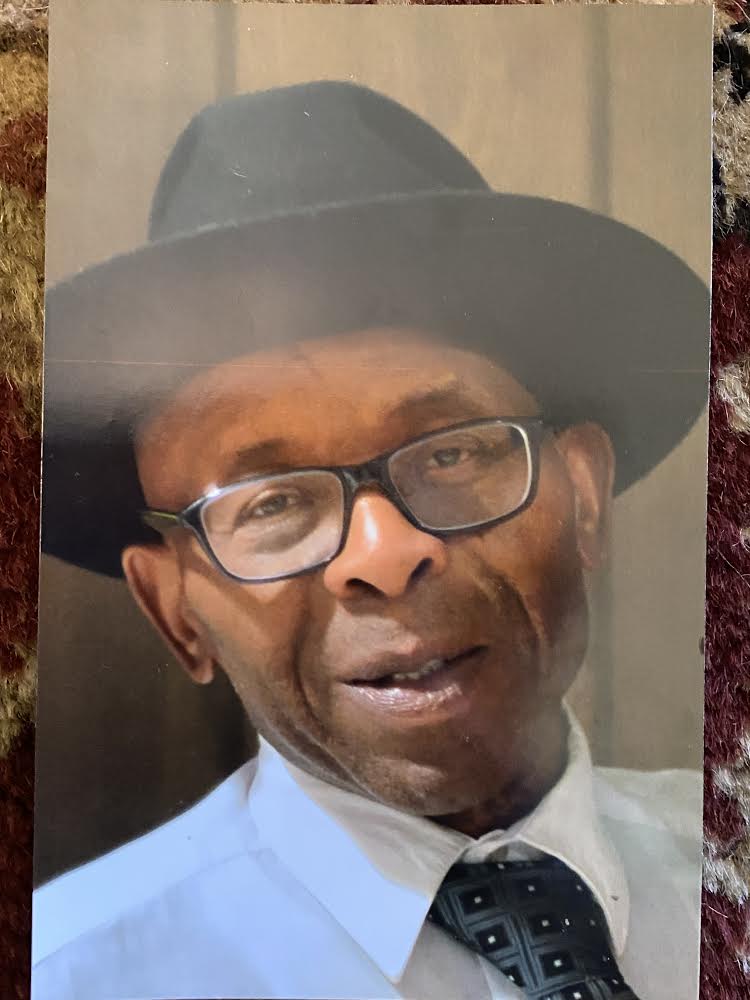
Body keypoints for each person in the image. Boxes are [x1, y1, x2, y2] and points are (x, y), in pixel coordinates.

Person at [33, 83, 708, 1000]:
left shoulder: (724, 856)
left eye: (453, 452)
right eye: (272, 504)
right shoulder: (75, 976)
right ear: (174, 610)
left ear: (583, 499)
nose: (383, 555)